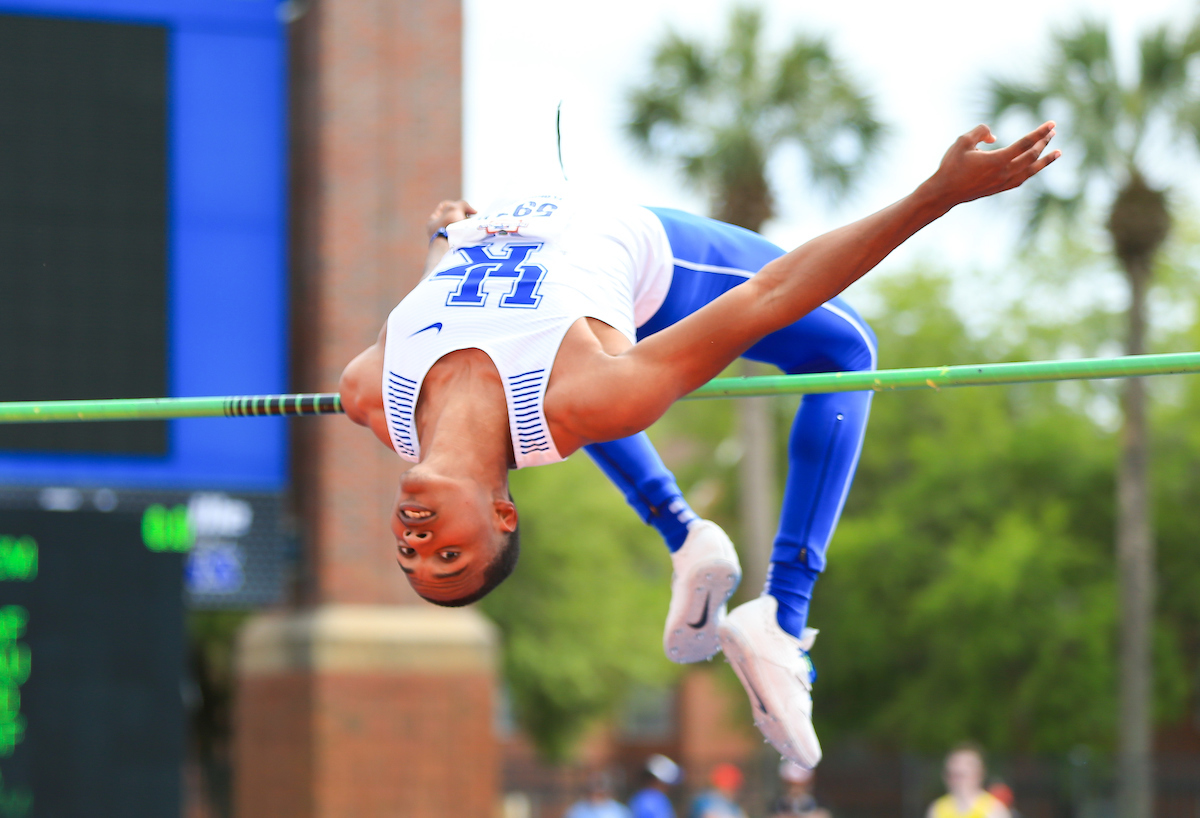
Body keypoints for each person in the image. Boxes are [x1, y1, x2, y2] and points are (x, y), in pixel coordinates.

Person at [339, 123, 1060, 766]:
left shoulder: (370, 392)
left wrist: (446, 240)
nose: (419, 542)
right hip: (639, 255)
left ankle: (687, 534)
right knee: (846, 350)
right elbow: (771, 295)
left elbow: (430, 303)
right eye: (448, 557)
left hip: (493, 232)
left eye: (411, 557)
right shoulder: (589, 393)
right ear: (502, 513)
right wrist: (936, 194)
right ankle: (782, 612)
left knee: (583, 407)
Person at [927, 744, 1011, 818]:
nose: (959, 767)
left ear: (980, 773)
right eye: (955, 775)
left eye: (968, 764)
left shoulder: (994, 810)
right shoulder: (938, 808)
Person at [566, 771, 633, 818]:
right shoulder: (577, 810)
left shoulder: (620, 811)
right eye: (593, 792)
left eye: (599, 794)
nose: (595, 797)